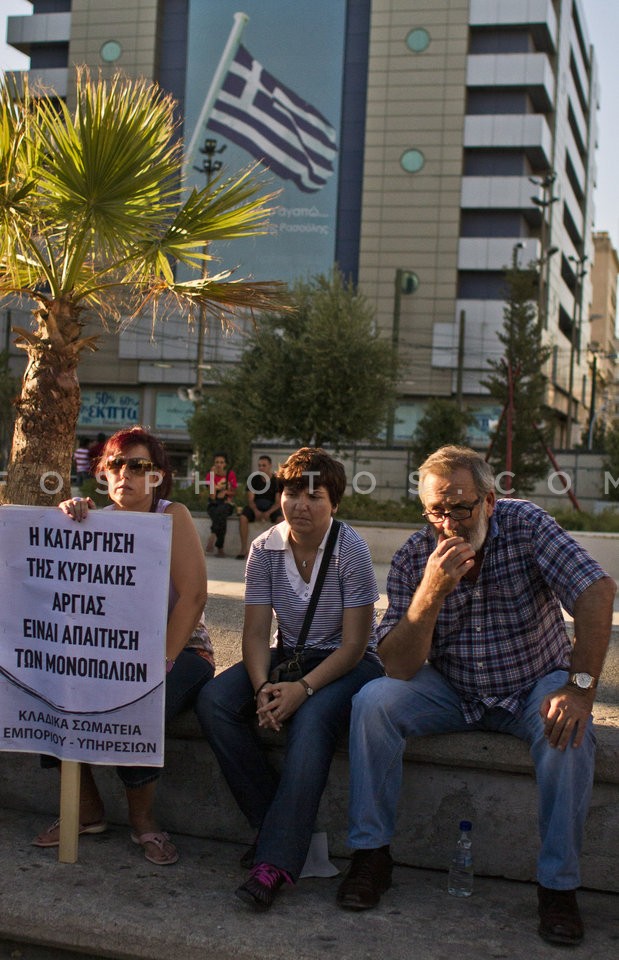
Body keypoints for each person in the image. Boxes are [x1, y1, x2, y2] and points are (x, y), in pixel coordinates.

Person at [336, 445, 616, 946]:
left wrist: (579, 689)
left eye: (459, 508)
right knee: (372, 703)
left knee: (568, 731)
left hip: (532, 681)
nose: (448, 523)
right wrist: (431, 593)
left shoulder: (525, 526)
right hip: (453, 688)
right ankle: (371, 855)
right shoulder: (413, 557)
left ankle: (558, 887)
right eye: (435, 511)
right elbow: (398, 666)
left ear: (489, 501)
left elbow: (596, 591)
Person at [197, 447, 384, 910]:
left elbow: (355, 645)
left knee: (313, 717)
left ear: (334, 503)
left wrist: (302, 690)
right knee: (215, 701)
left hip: (347, 662)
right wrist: (263, 688)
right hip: (290, 656)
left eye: (314, 496)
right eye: (291, 492)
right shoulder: (264, 548)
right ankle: (276, 825)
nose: (300, 505)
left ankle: (276, 862)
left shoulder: (351, 548)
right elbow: (257, 632)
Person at [33, 426, 214, 866]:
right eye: (115, 464)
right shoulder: (92, 520)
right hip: (112, 651)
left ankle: (144, 822)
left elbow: (194, 596)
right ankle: (87, 809)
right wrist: (67, 521)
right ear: (101, 473)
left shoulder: (174, 516)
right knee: (44, 689)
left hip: (183, 650)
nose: (125, 473)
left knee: (139, 702)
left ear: (157, 476)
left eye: (138, 465)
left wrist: (162, 662)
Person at [236, 454, 283, 559]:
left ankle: (278, 550)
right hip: (256, 505)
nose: (261, 468)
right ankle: (244, 549)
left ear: (270, 466)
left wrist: (268, 513)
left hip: (271, 507)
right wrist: (256, 510)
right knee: (243, 518)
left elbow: (278, 502)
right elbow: (250, 500)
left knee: (281, 520)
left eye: (264, 465)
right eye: (259, 465)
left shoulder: (276, 480)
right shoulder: (253, 479)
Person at [204, 452, 237, 557]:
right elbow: (213, 496)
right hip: (213, 504)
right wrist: (213, 476)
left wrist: (226, 492)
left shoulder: (230, 474)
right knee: (221, 515)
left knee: (222, 510)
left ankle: (213, 535)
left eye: (221, 462)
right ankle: (220, 549)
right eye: (217, 462)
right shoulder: (210, 475)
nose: (219, 464)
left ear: (225, 464)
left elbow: (234, 492)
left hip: (227, 504)